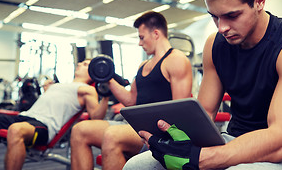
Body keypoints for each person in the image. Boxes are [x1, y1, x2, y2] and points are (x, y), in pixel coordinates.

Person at [123, 0, 282, 170]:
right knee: (137, 166)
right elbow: (204, 115)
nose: (221, 28)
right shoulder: (215, 44)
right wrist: (170, 141)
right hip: (232, 140)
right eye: (214, 16)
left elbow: (281, 141)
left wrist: (203, 159)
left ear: (259, 2)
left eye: (232, 16)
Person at [70, 11, 193, 170]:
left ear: (156, 34)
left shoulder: (176, 59)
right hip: (135, 127)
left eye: (142, 37)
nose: (139, 43)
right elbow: (130, 100)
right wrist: (107, 78)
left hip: (157, 133)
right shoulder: (143, 65)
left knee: (112, 135)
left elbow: (180, 110)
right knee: (79, 130)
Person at [0, 59, 109, 170]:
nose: (80, 64)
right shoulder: (59, 85)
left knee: (15, 130)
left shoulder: (87, 90)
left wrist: (105, 96)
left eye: (85, 64)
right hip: (23, 116)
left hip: (43, 125)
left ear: (93, 72)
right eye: (81, 62)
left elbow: (96, 117)